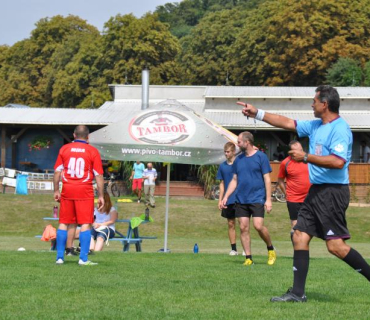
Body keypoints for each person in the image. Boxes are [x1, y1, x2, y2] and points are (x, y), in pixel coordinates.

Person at [239, 85, 370, 302]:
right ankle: (297, 294)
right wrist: (258, 114)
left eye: (314, 101)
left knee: (335, 247)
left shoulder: (340, 129)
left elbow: (338, 162)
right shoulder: (317, 125)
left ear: (324, 104)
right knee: (299, 235)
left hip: (332, 192)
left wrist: (305, 157)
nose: (312, 104)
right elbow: (288, 122)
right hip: (316, 191)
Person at [221, 132, 277, 266]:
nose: (237, 144)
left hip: (257, 198)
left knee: (258, 226)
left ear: (247, 142)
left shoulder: (261, 157)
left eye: (239, 142)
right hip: (241, 199)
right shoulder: (238, 160)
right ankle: (248, 258)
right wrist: (226, 196)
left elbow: (267, 179)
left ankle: (270, 249)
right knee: (243, 228)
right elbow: (234, 180)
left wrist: (268, 200)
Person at [53, 125, 104, 266]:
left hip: (68, 189)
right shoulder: (92, 151)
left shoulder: (64, 149)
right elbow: (98, 175)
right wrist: (101, 196)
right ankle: (83, 259)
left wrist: (56, 190)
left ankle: (59, 257)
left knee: (64, 222)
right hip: (84, 190)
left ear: (74, 135)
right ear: (88, 137)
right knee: (86, 223)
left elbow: (57, 172)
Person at [277, 140, 311, 244]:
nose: (301, 153)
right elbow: (280, 180)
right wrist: (286, 193)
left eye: (301, 150)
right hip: (293, 199)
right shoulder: (285, 163)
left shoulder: (310, 160)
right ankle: (297, 250)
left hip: (309, 198)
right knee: (295, 225)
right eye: (297, 151)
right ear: (291, 152)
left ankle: (303, 247)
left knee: (308, 225)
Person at [217, 142, 239, 256]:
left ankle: (246, 249)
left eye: (228, 152)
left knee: (243, 224)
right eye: (225, 152)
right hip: (228, 199)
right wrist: (220, 199)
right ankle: (234, 249)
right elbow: (221, 184)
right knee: (231, 224)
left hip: (240, 198)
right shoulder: (222, 166)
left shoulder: (240, 164)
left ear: (233, 152)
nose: (226, 154)